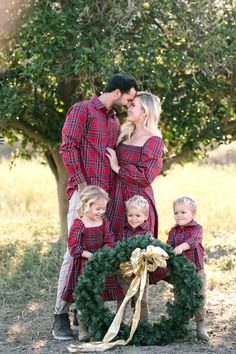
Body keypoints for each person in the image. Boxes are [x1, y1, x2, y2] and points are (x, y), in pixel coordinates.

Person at [53, 73, 138, 340]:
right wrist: (81, 186)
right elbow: (68, 147)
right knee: (74, 254)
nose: (129, 103)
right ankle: (60, 317)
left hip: (105, 202)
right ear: (117, 92)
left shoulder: (114, 121)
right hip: (83, 196)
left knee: (97, 255)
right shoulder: (82, 110)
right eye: (129, 97)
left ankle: (83, 312)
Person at [53, 185, 123, 342]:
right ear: (86, 206)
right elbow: (73, 246)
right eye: (97, 209)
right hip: (83, 267)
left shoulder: (103, 222)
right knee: (83, 296)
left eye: (103, 209)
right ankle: (82, 329)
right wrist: (88, 255)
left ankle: (95, 325)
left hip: (98, 265)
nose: (101, 212)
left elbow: (109, 239)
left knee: (96, 295)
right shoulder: (79, 224)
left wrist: (105, 252)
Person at [106, 91, 164, 239]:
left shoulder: (154, 141)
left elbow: (146, 176)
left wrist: (118, 168)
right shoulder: (125, 135)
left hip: (137, 202)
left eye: (133, 106)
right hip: (116, 197)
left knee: (137, 251)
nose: (129, 108)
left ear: (145, 111)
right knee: (114, 246)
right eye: (129, 105)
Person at [154, 196, 209, 341]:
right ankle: (180, 324)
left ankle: (200, 324)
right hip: (180, 273)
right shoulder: (173, 231)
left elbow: (194, 241)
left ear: (193, 213)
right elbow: (169, 246)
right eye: (176, 213)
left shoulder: (197, 228)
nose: (179, 215)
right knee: (179, 297)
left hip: (196, 271)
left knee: (199, 296)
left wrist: (181, 247)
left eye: (183, 212)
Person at [116, 195, 151, 321]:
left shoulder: (147, 233)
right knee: (122, 299)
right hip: (124, 272)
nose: (134, 219)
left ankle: (143, 325)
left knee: (141, 299)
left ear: (145, 216)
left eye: (138, 216)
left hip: (140, 273)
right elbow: (119, 247)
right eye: (130, 215)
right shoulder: (124, 231)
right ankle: (119, 325)